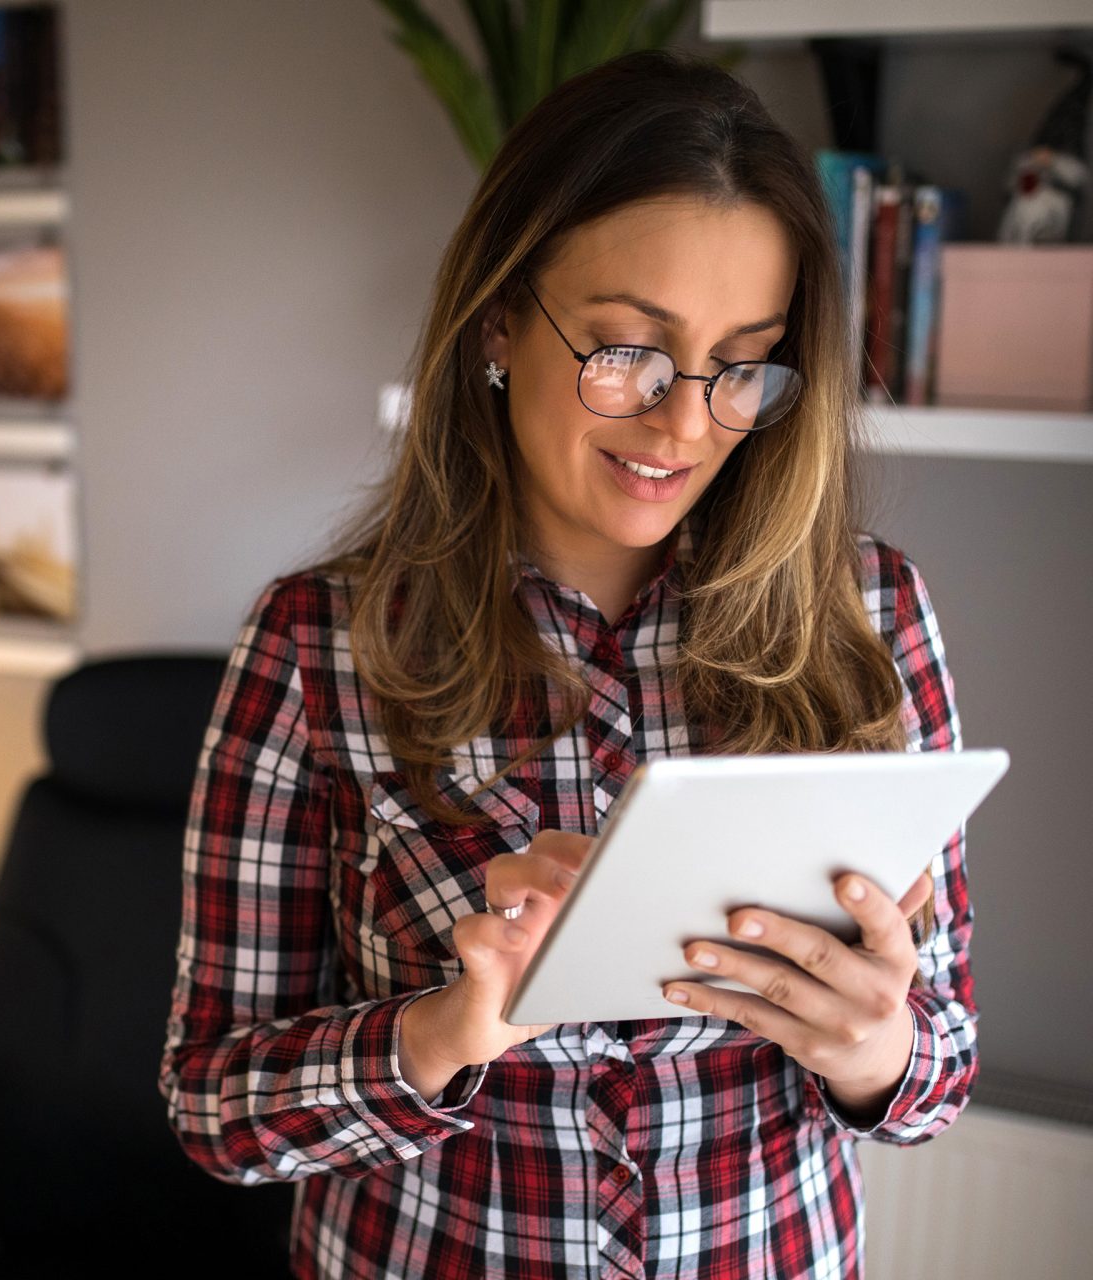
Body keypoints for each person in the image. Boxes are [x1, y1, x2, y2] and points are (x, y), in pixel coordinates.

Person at [159, 49, 975, 1280]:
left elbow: (941, 1067)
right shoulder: (319, 644)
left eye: (740, 363)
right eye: (626, 351)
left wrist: (876, 1052)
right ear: (498, 316)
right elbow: (213, 1106)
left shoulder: (867, 613)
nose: (684, 422)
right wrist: (440, 1031)